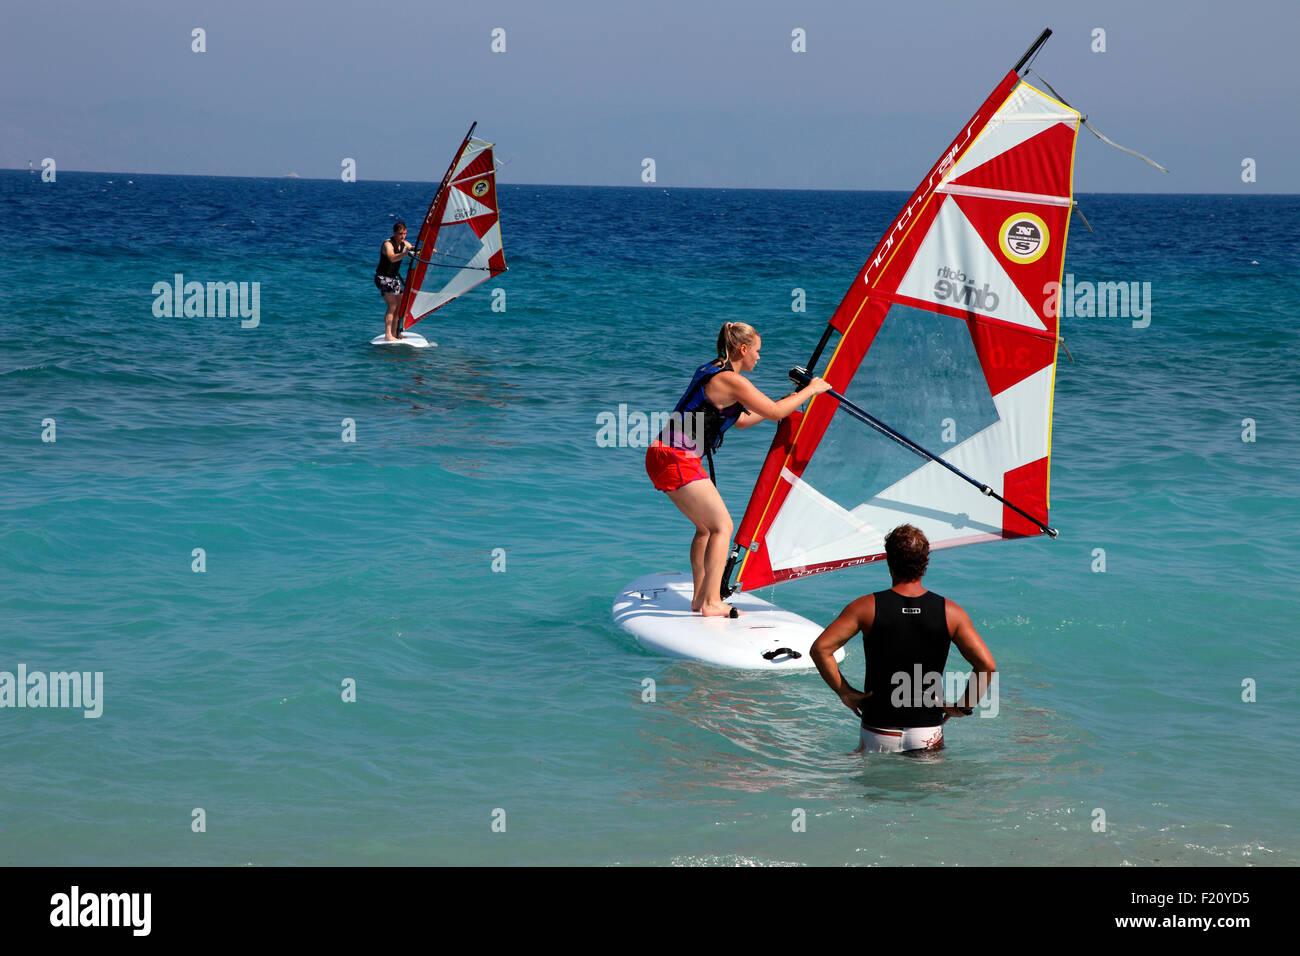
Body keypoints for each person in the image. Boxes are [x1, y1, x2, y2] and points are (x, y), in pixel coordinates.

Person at [645, 321, 831, 618]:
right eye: (757, 351)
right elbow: (773, 413)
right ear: (743, 349)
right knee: (723, 526)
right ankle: (711, 603)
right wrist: (812, 390)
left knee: (706, 528)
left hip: (665, 455)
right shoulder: (733, 381)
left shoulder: (713, 369)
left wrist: (786, 400)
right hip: (675, 457)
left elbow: (744, 420)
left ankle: (700, 598)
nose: (759, 357)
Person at [809, 524, 997, 753]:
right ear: (926, 562)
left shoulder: (865, 607)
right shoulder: (951, 612)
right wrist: (963, 707)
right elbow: (986, 665)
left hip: (878, 729)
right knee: (927, 789)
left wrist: (845, 692)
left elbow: (821, 650)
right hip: (927, 732)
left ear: (889, 562)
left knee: (874, 788)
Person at [375, 222, 414, 341]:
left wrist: (428, 251)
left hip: (394, 279)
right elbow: (392, 258)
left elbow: (415, 250)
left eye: (405, 234)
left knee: (401, 305)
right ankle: (388, 335)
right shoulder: (388, 244)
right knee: (392, 304)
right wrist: (405, 253)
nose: (403, 236)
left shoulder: (405, 244)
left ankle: (395, 333)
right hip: (382, 278)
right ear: (394, 233)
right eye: (400, 234)